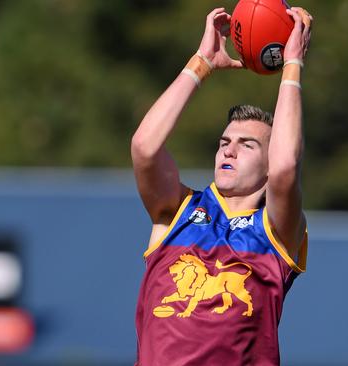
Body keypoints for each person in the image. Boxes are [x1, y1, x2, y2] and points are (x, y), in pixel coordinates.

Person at [131, 6, 313, 365]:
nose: (229, 148)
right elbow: (145, 148)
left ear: (267, 163)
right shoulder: (177, 211)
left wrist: (292, 66)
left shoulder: (276, 230)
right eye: (224, 142)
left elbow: (286, 168)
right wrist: (202, 62)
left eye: (248, 144)